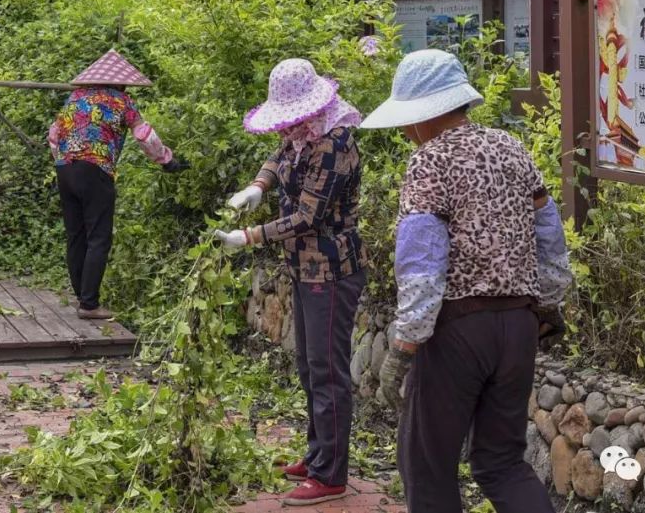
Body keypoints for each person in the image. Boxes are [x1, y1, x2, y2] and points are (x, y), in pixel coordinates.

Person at [362, 49, 573, 513]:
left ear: (423, 116)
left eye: (406, 120)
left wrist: (406, 343)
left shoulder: (429, 161)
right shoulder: (510, 146)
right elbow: (549, 230)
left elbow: (421, 258)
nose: (404, 131)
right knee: (501, 463)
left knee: (428, 466)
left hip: (457, 331)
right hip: (518, 326)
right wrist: (550, 301)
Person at [216, 58, 366, 507]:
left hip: (333, 268)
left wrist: (249, 236)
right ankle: (318, 453)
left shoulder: (333, 143)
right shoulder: (301, 136)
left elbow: (308, 216)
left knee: (327, 371)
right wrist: (257, 186)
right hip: (303, 266)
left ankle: (331, 475)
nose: (288, 128)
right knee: (307, 365)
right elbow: (277, 156)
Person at [48, 49, 188, 320]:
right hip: (95, 169)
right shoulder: (122, 101)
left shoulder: (74, 98)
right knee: (98, 237)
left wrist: (66, 161)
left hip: (64, 169)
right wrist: (167, 161)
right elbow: (144, 135)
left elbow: (53, 137)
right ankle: (89, 305)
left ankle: (82, 297)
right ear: (121, 82)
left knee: (76, 236)